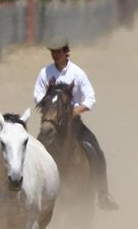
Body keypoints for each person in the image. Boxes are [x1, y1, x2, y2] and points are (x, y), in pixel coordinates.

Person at [33, 41, 117, 210]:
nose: (55, 55)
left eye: (58, 51)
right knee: (32, 152)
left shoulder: (77, 73)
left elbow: (90, 98)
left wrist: (74, 111)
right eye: (53, 52)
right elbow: (38, 96)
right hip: (51, 124)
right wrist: (50, 109)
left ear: (66, 52)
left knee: (95, 150)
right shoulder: (45, 72)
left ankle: (103, 195)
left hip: (73, 125)